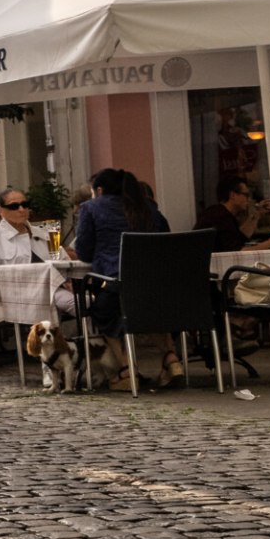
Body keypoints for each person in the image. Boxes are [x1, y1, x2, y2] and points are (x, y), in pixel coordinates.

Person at [70, 167, 176, 390]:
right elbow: (166, 242)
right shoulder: (148, 208)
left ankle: (126, 370)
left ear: (99, 190)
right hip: (158, 287)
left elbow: (84, 252)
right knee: (146, 308)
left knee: (104, 309)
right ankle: (170, 358)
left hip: (118, 285)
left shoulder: (91, 208)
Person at [0, 187, 77, 316]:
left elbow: (64, 262)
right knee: (76, 303)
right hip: (16, 294)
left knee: (92, 300)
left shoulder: (46, 234)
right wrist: (31, 276)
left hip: (53, 288)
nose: (21, 209)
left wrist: (67, 280)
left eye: (25, 205)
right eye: (14, 206)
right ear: (0, 210)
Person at [193, 178, 270, 253]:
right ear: (232, 195)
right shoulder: (220, 217)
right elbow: (237, 252)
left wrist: (258, 214)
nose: (248, 199)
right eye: (246, 195)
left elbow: (241, 237)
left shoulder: (220, 213)